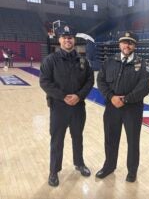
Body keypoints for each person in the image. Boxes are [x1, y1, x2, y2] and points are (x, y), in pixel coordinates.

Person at [39, 24, 94, 187]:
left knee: (78, 137)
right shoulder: (50, 60)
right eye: (64, 37)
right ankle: (54, 171)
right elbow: (44, 82)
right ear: (59, 39)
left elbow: (90, 81)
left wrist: (78, 96)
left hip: (78, 107)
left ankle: (79, 163)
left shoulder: (83, 60)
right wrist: (63, 97)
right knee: (57, 140)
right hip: (58, 108)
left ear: (74, 40)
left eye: (70, 37)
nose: (68, 40)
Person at [96, 31, 149, 182]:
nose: (127, 45)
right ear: (120, 44)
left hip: (132, 109)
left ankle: (132, 171)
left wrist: (126, 99)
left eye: (130, 42)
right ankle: (109, 166)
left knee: (133, 141)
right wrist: (111, 97)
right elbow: (100, 81)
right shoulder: (109, 62)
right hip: (112, 107)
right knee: (110, 139)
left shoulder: (143, 64)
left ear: (135, 46)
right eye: (124, 42)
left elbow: (144, 87)